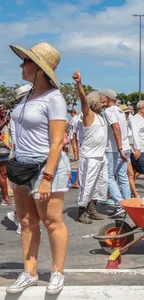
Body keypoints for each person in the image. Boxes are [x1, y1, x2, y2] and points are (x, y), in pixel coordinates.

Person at [6, 42, 71, 294]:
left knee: (52, 220)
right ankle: (29, 272)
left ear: (40, 69)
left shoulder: (54, 98)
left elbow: (57, 142)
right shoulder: (27, 97)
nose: (21, 65)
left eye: (26, 61)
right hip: (22, 167)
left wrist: (47, 178)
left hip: (46, 167)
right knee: (26, 221)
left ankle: (57, 272)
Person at [72, 70, 108, 224]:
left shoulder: (101, 116)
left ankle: (92, 208)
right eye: (103, 102)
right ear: (95, 102)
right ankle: (81, 212)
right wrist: (79, 83)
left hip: (101, 156)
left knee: (101, 184)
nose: (105, 104)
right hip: (90, 157)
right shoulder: (89, 114)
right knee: (87, 185)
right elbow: (83, 100)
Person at [6, 84, 32, 234]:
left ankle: (17, 215)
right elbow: (17, 138)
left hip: (24, 155)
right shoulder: (19, 113)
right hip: (21, 155)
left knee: (27, 190)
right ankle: (22, 223)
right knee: (24, 190)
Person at [103, 89, 131, 217]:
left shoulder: (109, 111)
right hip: (125, 147)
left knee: (109, 177)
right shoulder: (120, 111)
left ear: (108, 98)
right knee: (123, 177)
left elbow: (116, 128)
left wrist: (119, 148)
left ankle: (120, 204)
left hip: (115, 149)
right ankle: (128, 203)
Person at [119, 104, 139, 198]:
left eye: (128, 113)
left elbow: (127, 140)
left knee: (129, 174)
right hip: (121, 151)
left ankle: (132, 195)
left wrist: (133, 151)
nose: (127, 115)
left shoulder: (126, 124)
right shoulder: (119, 125)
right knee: (122, 175)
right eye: (125, 113)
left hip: (127, 150)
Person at [0, 103, 12, 206]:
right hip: (1, 150)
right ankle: (5, 198)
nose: (4, 110)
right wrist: (5, 122)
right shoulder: (3, 121)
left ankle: (5, 197)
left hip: (4, 150)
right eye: (1, 109)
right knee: (3, 174)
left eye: (5, 108)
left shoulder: (5, 120)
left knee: (3, 174)